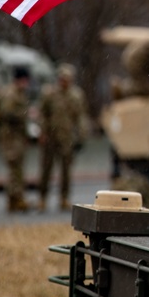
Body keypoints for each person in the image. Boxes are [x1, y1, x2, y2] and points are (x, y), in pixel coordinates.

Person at [38, 63, 88, 211]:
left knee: (66, 170)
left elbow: (80, 117)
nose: (64, 81)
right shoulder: (50, 94)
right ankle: (42, 198)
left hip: (67, 137)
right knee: (46, 168)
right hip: (51, 136)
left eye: (67, 78)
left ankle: (64, 198)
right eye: (62, 78)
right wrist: (42, 132)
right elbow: (43, 114)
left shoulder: (76, 96)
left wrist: (81, 135)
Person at [0, 67, 32, 213]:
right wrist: (25, 113)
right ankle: (15, 198)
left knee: (17, 167)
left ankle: (16, 199)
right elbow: (8, 112)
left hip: (15, 135)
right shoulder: (12, 94)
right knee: (15, 168)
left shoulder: (16, 93)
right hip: (11, 136)